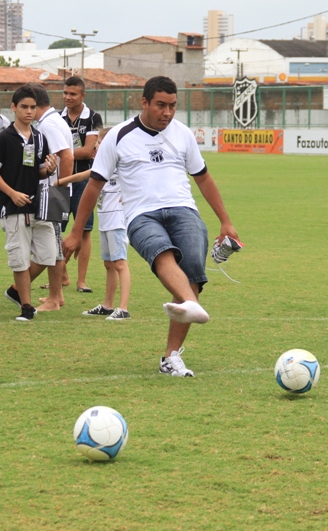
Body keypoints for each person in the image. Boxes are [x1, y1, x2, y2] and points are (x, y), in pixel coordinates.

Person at [63, 76, 241, 377]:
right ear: (144, 102)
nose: (167, 113)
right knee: (163, 254)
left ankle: (172, 355)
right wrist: (77, 232)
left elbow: (203, 178)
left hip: (184, 210)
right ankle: (190, 303)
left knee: (194, 273)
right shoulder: (119, 136)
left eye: (172, 106)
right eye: (161, 105)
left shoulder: (182, 134)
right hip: (140, 215)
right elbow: (94, 186)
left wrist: (226, 221)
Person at [0, 85, 58, 321]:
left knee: (49, 255)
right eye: (24, 107)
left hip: (39, 207)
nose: (29, 112)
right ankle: (26, 307)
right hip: (13, 207)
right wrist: (12, 193)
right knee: (19, 259)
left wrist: (49, 169)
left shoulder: (39, 137)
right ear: (14, 108)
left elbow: (39, 173)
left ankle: (15, 291)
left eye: (33, 107)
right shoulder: (5, 138)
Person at [57, 128, 132, 321]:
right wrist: (59, 182)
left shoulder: (121, 162)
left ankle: (123, 308)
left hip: (117, 219)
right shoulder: (102, 163)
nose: (96, 147)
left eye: (99, 143)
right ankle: (108, 305)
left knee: (120, 264)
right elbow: (83, 176)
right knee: (109, 264)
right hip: (105, 219)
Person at [27, 82, 74, 311]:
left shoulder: (48, 125)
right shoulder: (52, 121)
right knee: (51, 243)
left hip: (52, 192)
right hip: (52, 191)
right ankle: (57, 294)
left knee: (52, 245)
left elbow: (67, 157)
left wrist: (59, 188)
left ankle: (55, 298)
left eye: (28, 105)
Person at [60, 76, 103, 293]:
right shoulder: (57, 117)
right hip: (60, 182)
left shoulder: (93, 117)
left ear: (82, 95)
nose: (67, 97)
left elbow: (88, 151)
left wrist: (63, 153)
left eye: (73, 94)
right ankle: (60, 274)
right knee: (54, 229)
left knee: (85, 231)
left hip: (85, 180)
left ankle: (81, 281)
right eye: (65, 93)